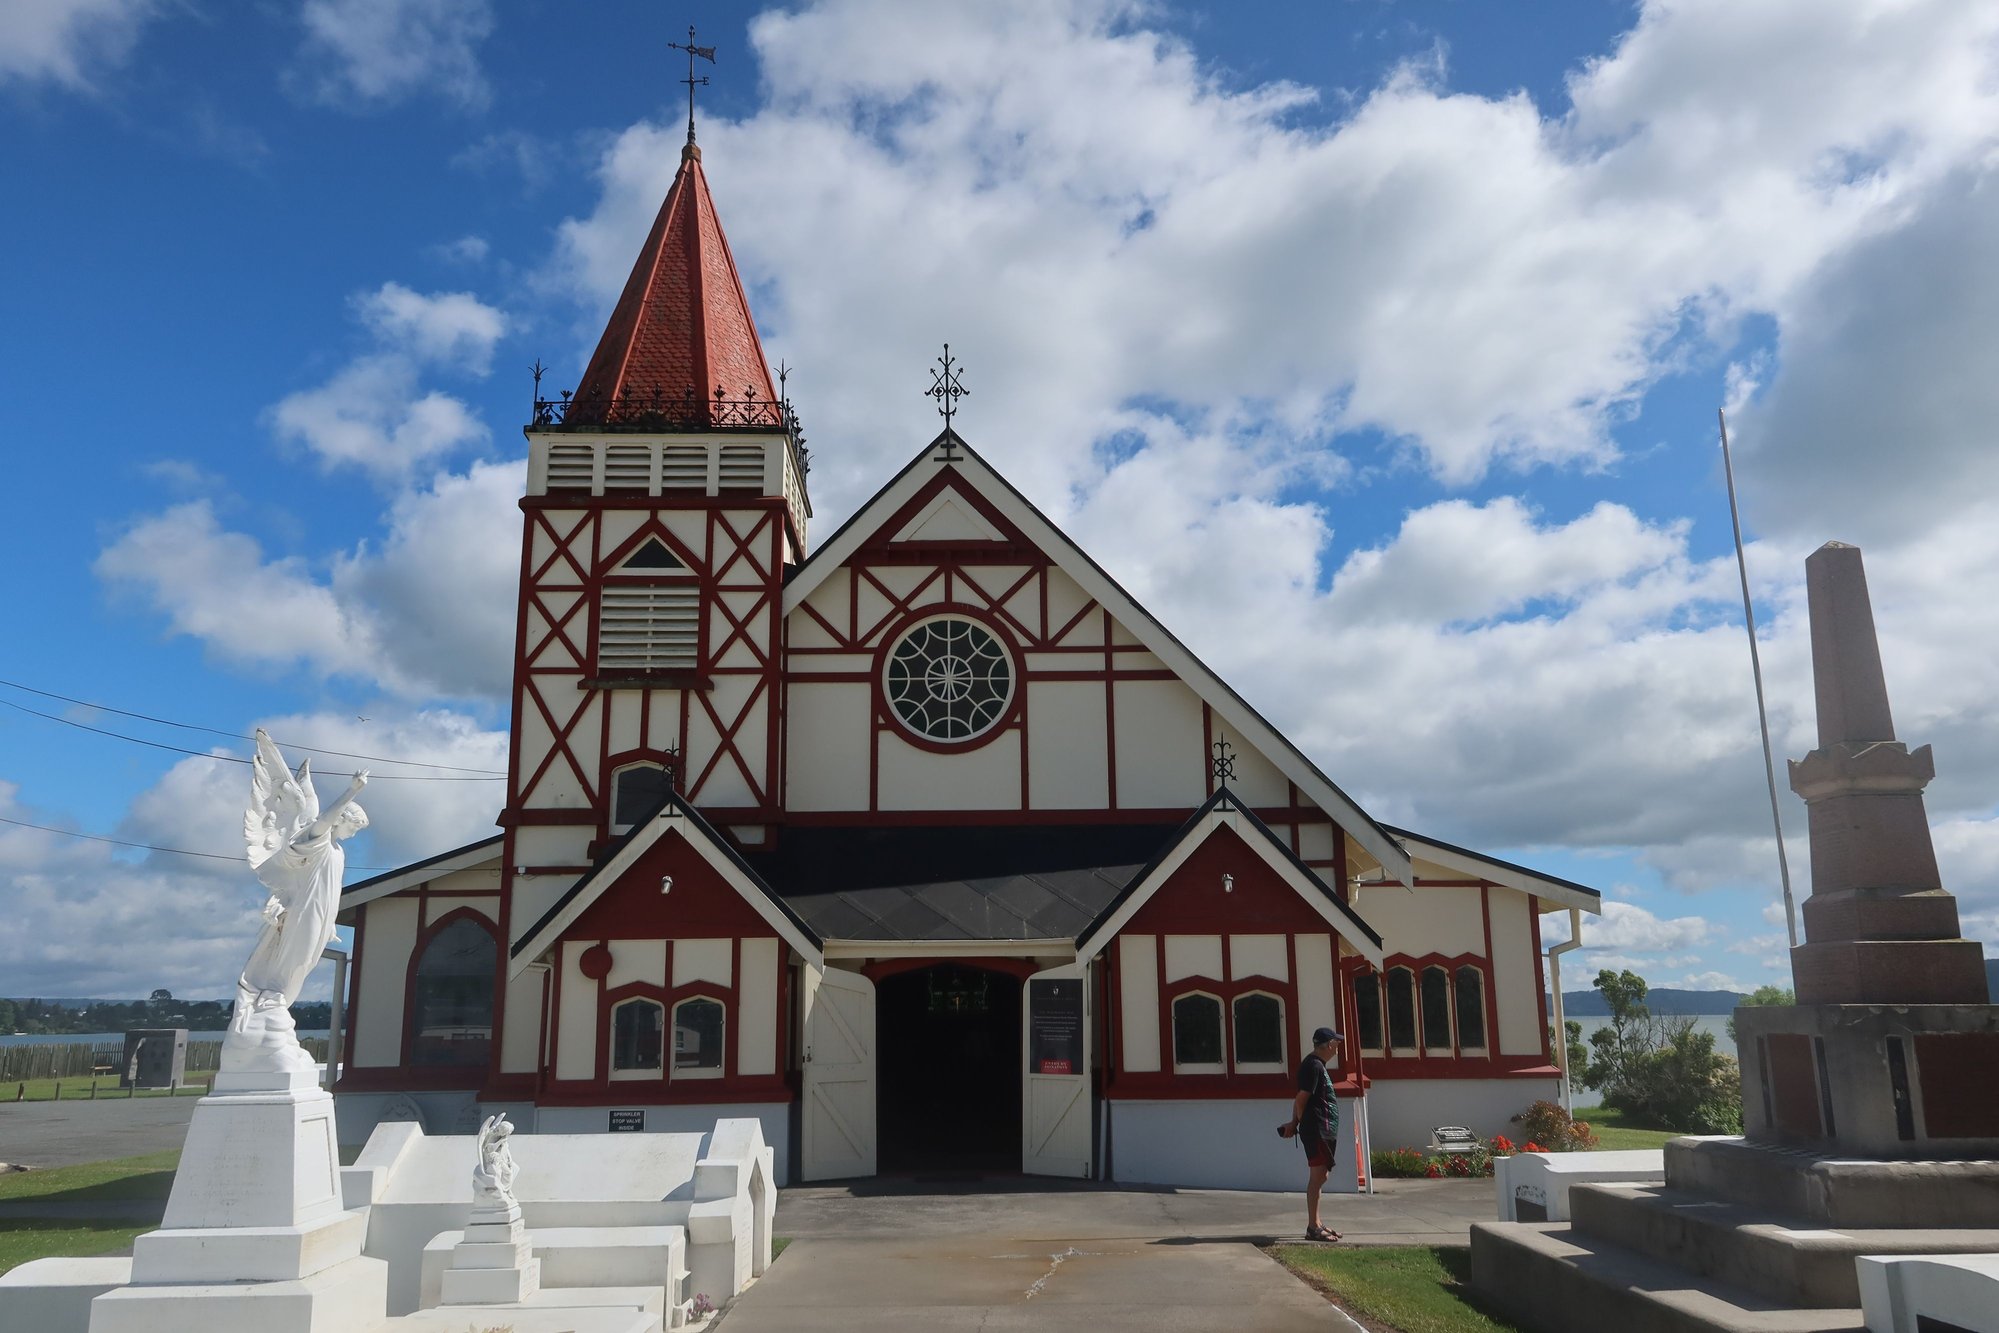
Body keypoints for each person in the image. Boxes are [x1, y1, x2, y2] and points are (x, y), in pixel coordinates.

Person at [1278, 1026, 1342, 1242]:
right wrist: (1298, 1123)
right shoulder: (1312, 1066)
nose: (1338, 1048)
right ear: (1329, 1045)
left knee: (1321, 1175)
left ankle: (1317, 1222)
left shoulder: (1316, 1065)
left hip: (1322, 1129)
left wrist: (1293, 1122)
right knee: (1317, 1177)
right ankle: (1313, 1227)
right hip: (1317, 1130)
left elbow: (1300, 1098)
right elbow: (1301, 1098)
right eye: (1336, 1043)